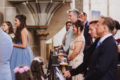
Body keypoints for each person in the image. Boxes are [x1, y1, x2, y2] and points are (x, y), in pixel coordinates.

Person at [10, 14, 34, 80]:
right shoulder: (19, 30)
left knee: (22, 72)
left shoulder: (23, 30)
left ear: (21, 21)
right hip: (17, 52)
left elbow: (24, 45)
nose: (14, 22)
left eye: (16, 20)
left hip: (22, 54)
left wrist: (13, 45)